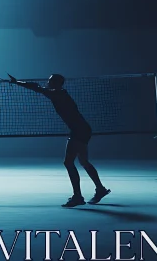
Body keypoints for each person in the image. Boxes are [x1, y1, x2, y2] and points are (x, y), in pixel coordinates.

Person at [9, 73, 110, 207]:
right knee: (83, 161)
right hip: (83, 129)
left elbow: (37, 88)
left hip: (79, 131)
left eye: (50, 81)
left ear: (56, 84)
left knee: (69, 162)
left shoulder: (58, 94)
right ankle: (100, 189)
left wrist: (17, 82)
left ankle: (78, 197)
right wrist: (18, 82)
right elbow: (38, 87)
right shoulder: (58, 93)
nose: (48, 82)